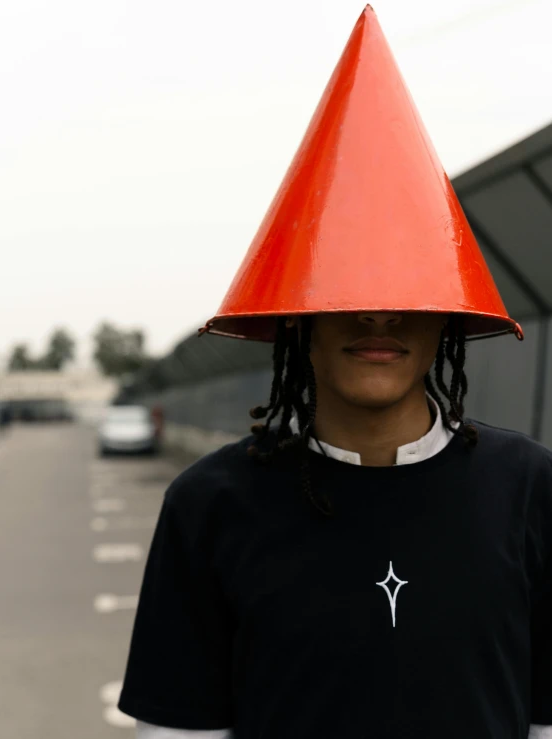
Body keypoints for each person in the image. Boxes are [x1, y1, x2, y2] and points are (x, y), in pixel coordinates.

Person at [118, 6, 552, 738]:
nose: (378, 320)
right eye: (347, 293)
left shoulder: (531, 488)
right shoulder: (210, 505)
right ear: (297, 319)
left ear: (446, 316)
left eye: (404, 295)